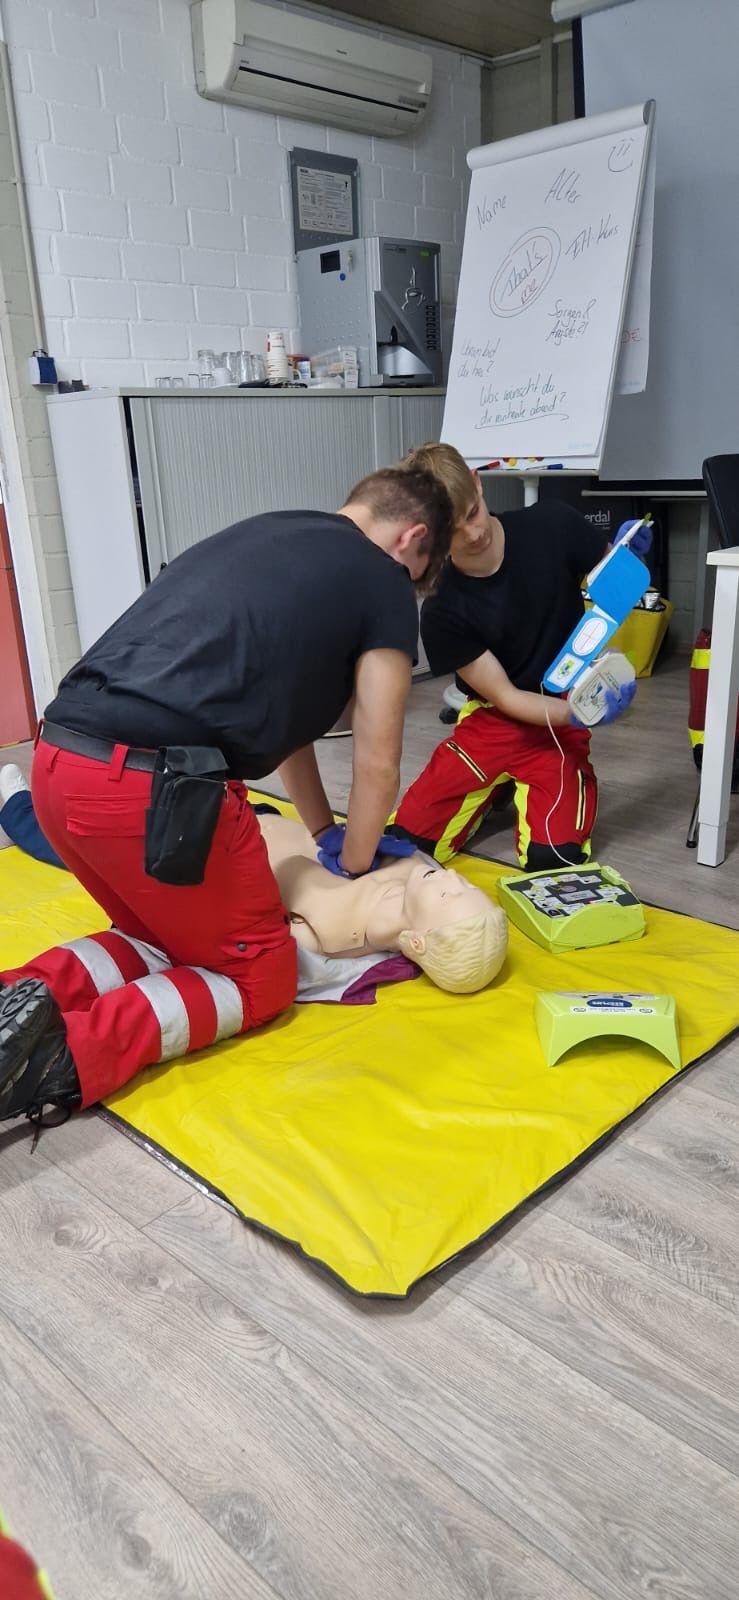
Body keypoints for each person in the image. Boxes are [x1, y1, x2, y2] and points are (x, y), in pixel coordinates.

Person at [0, 466, 453, 1129]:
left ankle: (17, 997)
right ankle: (61, 1057)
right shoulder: (382, 578)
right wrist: (356, 864)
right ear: (412, 539)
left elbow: (288, 728)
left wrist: (324, 829)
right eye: (419, 573)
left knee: (157, 939)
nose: (409, 588)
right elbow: (377, 758)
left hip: (58, 761)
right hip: (156, 793)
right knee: (259, 978)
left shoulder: (270, 530)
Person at [0, 771, 507, 1000]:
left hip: (210, 854)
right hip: (259, 818)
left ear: (415, 940)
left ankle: (14, 805)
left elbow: (271, 945)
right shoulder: (416, 872)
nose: (455, 877)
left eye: (449, 894)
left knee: (73, 842)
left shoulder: (338, 936)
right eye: (466, 885)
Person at [391, 443, 651, 870]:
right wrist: (583, 714)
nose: (473, 534)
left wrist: (628, 554)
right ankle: (496, 785)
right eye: (453, 530)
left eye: (473, 512)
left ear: (477, 481)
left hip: (556, 724)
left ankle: (509, 786)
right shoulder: (441, 610)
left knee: (555, 862)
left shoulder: (553, 524)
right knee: (405, 846)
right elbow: (508, 698)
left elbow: (616, 581)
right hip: (492, 721)